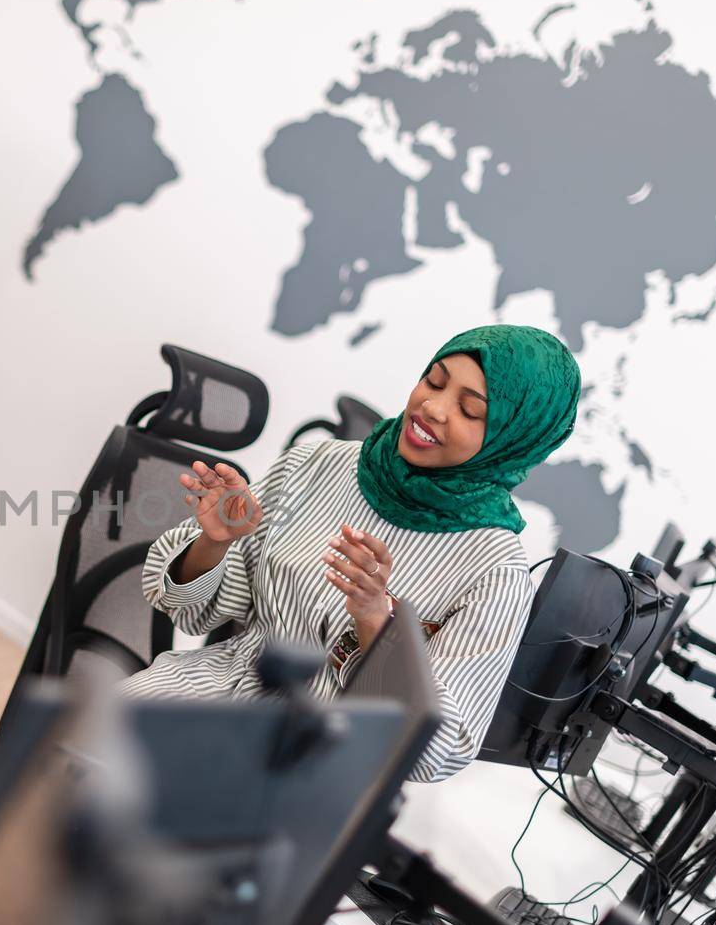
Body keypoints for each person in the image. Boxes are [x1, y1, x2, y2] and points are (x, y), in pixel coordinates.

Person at [122, 325, 582, 782]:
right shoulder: (318, 463)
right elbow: (189, 612)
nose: (432, 408)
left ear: (512, 440)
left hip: (312, 767)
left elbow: (440, 749)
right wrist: (215, 542)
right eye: (434, 381)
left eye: (469, 410)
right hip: (204, 694)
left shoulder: (494, 571)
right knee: (70, 763)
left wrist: (375, 622)